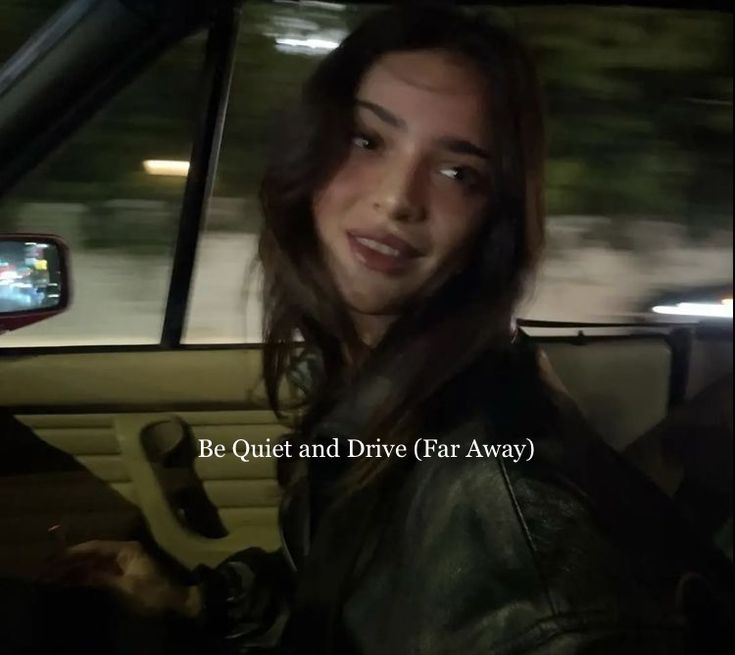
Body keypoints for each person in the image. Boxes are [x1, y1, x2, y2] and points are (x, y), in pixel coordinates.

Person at [39, 5, 732, 654]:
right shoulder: (378, 381)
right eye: (366, 139)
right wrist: (194, 602)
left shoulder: (513, 519)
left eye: (458, 172)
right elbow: (351, 599)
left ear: (491, 223)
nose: (398, 199)